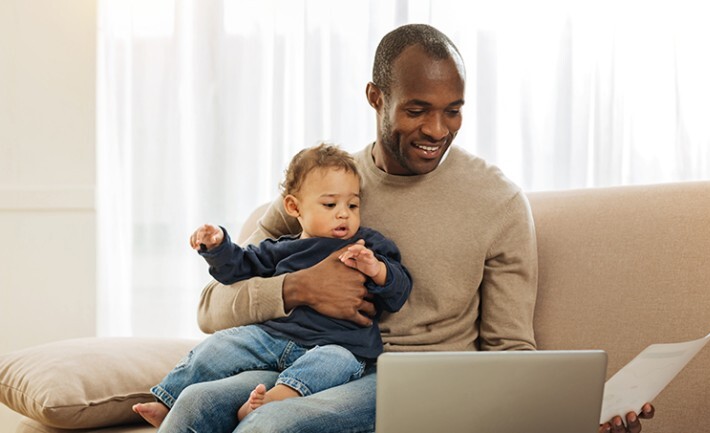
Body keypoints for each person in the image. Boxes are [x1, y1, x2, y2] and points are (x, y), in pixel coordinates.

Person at [157, 24, 655, 433]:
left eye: (453, 110)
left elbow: (510, 351)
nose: (437, 130)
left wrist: (571, 415)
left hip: (415, 384)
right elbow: (212, 307)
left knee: (270, 426)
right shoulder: (325, 188)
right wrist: (297, 287)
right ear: (376, 98)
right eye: (417, 110)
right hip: (306, 360)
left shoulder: (497, 201)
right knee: (194, 406)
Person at [133, 143, 412, 428]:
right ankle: (168, 399)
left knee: (336, 362)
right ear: (294, 207)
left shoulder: (367, 245)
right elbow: (238, 267)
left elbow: (398, 292)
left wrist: (376, 269)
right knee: (220, 346)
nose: (343, 214)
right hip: (273, 337)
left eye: (352, 205)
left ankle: (278, 397)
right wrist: (217, 246)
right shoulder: (282, 248)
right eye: (330, 205)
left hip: (340, 343)